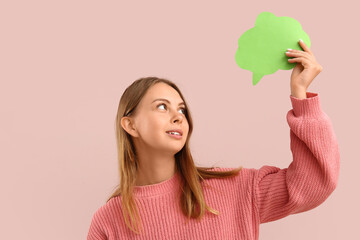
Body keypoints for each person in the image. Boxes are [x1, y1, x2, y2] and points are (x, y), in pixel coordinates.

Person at [87, 39, 340, 240]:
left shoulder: (235, 189)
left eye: (182, 110)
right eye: (162, 107)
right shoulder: (109, 220)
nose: (178, 117)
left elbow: (314, 183)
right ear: (130, 124)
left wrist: (302, 96)